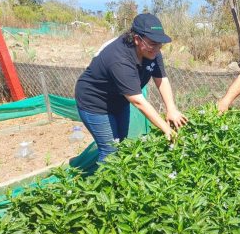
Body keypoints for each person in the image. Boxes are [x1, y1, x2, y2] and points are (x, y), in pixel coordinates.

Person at [74, 13, 188, 161]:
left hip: (119, 100)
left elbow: (161, 79)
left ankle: (117, 181)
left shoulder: (152, 50)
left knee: (121, 143)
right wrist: (166, 129)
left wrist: (171, 109)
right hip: (95, 103)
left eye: (160, 44)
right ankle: (106, 183)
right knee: (110, 151)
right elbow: (138, 101)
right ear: (136, 39)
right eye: (153, 43)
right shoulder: (119, 58)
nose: (157, 48)